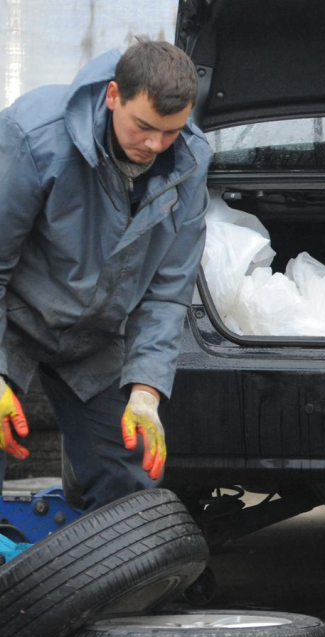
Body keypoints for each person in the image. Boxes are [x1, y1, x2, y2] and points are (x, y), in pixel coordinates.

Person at [0, 38, 212, 511]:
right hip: (13, 319)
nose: (155, 145)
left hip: (94, 336)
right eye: (144, 127)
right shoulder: (34, 135)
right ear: (113, 95)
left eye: (171, 132)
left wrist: (145, 390)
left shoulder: (191, 161)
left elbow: (167, 292)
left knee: (129, 477)